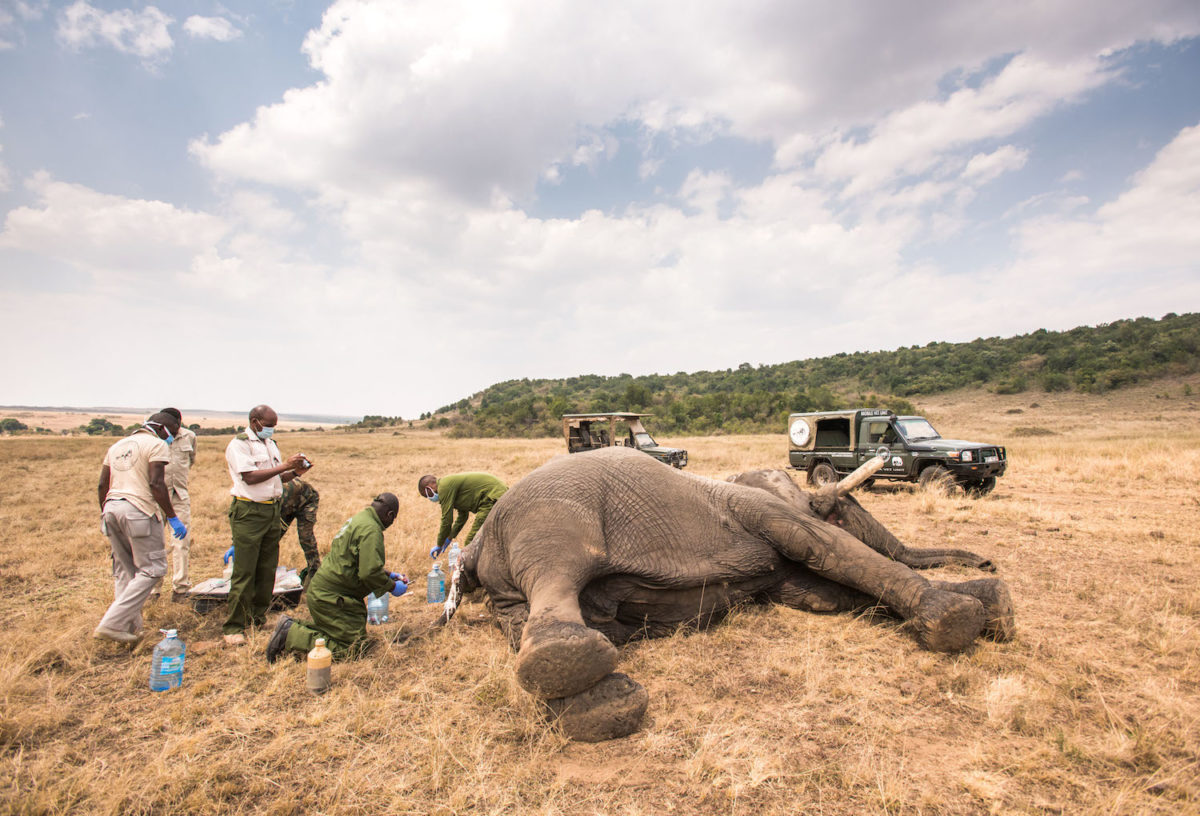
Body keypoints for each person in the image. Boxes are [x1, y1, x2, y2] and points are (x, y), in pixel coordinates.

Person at [267, 493, 407, 663]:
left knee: (349, 635)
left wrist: (388, 574)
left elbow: (356, 561)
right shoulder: (372, 530)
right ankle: (291, 634)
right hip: (332, 598)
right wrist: (392, 587)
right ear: (390, 515)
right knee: (351, 648)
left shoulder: (360, 519)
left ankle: (290, 626)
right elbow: (369, 573)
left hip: (323, 591)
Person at [94, 412, 189, 644]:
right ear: (163, 428)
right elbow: (156, 483)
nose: (173, 437)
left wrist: (105, 513)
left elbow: (102, 484)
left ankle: (130, 630)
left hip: (112, 509)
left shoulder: (118, 445)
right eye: (173, 432)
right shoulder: (156, 445)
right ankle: (111, 623)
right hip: (139, 511)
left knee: (125, 571)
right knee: (153, 569)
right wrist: (172, 516)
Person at [223, 405, 312, 646]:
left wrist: (295, 472)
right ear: (255, 422)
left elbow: (276, 477)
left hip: (271, 508)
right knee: (245, 570)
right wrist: (285, 466)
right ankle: (234, 625)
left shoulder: (270, 445)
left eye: (274, 426)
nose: (271, 430)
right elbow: (250, 478)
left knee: (267, 567)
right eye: (269, 425)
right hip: (249, 510)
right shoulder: (240, 445)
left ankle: (257, 616)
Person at [417, 472, 508, 558]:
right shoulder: (448, 486)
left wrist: (439, 543)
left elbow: (447, 519)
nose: (429, 498)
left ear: (429, 488)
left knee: (470, 542)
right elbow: (462, 517)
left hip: (491, 497)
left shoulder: (444, 487)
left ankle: (470, 572)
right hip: (492, 495)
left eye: (427, 495)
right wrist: (449, 537)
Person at [159, 407, 196, 602]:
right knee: (155, 544)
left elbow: (191, 461)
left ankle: (180, 588)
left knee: (182, 542)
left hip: (179, 495)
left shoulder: (189, 437)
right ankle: (153, 590)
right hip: (156, 496)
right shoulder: (154, 438)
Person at [280, 477, 321, 584]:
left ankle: (315, 575)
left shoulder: (274, 496)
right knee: (272, 539)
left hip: (307, 500)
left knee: (306, 538)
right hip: (289, 503)